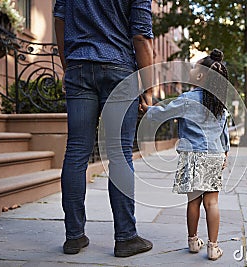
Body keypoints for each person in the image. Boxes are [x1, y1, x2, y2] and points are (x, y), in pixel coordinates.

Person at [53, 0, 153, 257]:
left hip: (78, 67)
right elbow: (141, 37)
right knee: (118, 153)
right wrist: (148, 88)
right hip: (119, 69)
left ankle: (73, 237)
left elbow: (60, 21)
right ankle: (126, 237)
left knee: (76, 152)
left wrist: (69, 68)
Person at [140, 49, 230, 261]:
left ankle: (192, 241)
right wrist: (225, 152)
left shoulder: (188, 99)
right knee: (212, 203)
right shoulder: (220, 104)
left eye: (194, 69)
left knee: (193, 201)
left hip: (192, 155)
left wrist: (148, 110)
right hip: (214, 154)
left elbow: (164, 112)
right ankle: (213, 247)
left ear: (200, 76)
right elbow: (224, 131)